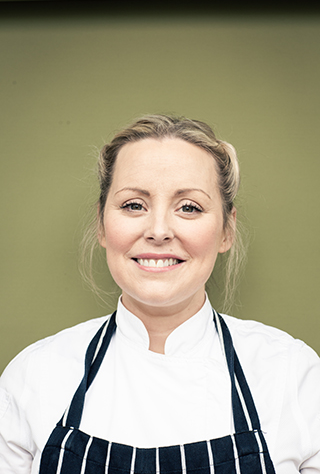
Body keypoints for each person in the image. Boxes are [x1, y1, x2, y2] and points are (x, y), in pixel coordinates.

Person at [0, 115, 319, 474]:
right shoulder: (34, 376)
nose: (159, 230)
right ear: (103, 224)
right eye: (134, 205)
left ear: (226, 231)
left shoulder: (293, 375)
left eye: (189, 207)